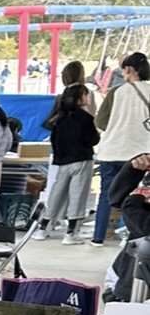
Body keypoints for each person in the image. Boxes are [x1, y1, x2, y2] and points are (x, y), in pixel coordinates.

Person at [91, 53, 150, 244]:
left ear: (128, 69)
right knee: (133, 196)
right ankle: (130, 237)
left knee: (107, 196)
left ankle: (98, 237)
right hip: (140, 154)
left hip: (111, 151)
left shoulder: (116, 92)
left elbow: (101, 122)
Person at [34, 84, 99, 245]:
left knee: (56, 194)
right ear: (79, 98)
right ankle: (71, 232)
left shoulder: (59, 118)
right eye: (86, 95)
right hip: (81, 160)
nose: (88, 98)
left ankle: (43, 227)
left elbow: (54, 140)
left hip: (63, 162)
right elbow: (93, 139)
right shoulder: (85, 118)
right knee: (78, 195)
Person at [106, 153, 150, 301]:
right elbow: (116, 199)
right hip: (130, 275)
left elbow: (146, 228)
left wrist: (134, 201)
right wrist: (133, 169)